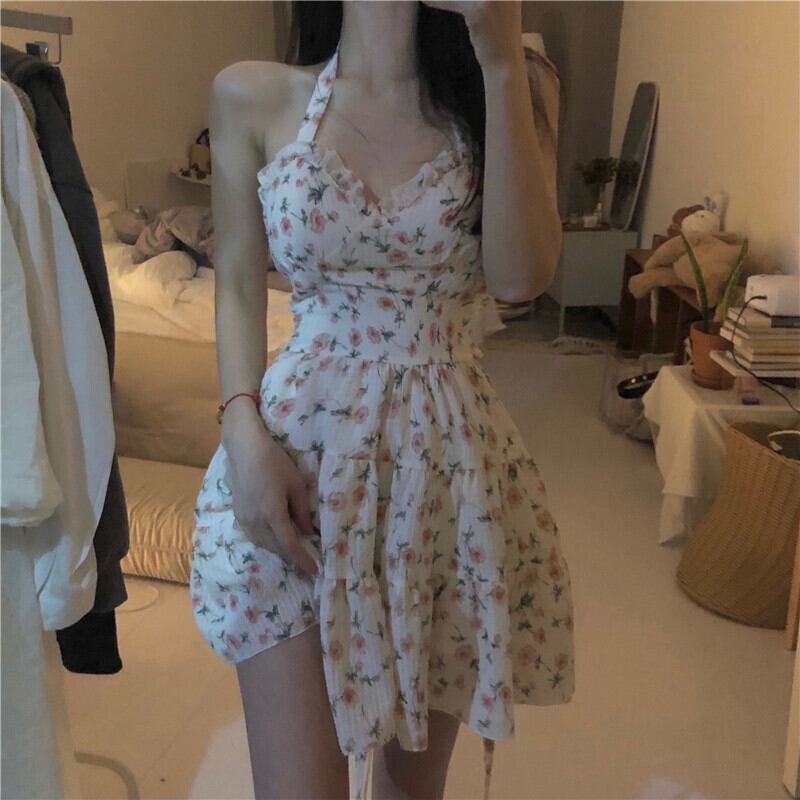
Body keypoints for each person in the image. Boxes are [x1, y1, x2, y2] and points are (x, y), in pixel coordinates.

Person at [189, 2, 576, 798]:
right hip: (295, 465)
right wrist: (241, 428)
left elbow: (519, 277)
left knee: (409, 792)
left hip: (445, 476)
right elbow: (236, 282)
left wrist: (500, 58)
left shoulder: (516, 81)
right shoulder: (251, 95)